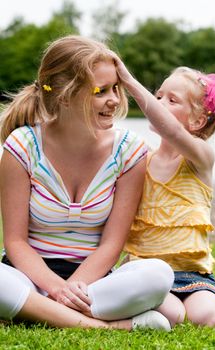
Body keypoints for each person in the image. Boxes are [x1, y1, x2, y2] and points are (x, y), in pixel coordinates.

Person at [0, 35, 174, 330]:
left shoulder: (129, 150)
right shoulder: (23, 145)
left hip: (92, 285)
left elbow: (112, 244)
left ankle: (37, 312)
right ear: (65, 95)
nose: (115, 100)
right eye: (100, 91)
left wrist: (72, 288)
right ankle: (104, 326)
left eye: (116, 88)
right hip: (27, 275)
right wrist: (55, 287)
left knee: (158, 275)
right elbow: (15, 242)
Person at [112, 56, 215, 327]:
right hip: (145, 272)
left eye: (171, 100)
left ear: (198, 120)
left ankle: (208, 311)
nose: (159, 105)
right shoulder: (141, 160)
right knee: (173, 315)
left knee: (205, 316)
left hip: (192, 276)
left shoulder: (201, 157)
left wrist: (129, 81)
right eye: (158, 96)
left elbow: (175, 132)